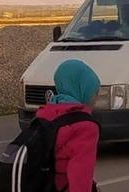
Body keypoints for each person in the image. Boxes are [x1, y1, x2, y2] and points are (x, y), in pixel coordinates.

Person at [35, 60, 102, 192]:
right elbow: (80, 180)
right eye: (95, 92)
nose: (95, 99)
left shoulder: (44, 115)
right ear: (82, 90)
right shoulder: (85, 127)